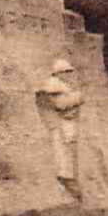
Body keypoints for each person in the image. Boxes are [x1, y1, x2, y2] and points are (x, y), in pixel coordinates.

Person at [36, 59, 85, 201]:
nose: (69, 74)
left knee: (69, 155)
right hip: (61, 125)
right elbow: (61, 104)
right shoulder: (53, 85)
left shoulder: (64, 85)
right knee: (63, 157)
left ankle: (69, 184)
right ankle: (65, 183)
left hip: (68, 125)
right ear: (59, 72)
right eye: (66, 71)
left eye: (70, 71)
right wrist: (78, 97)